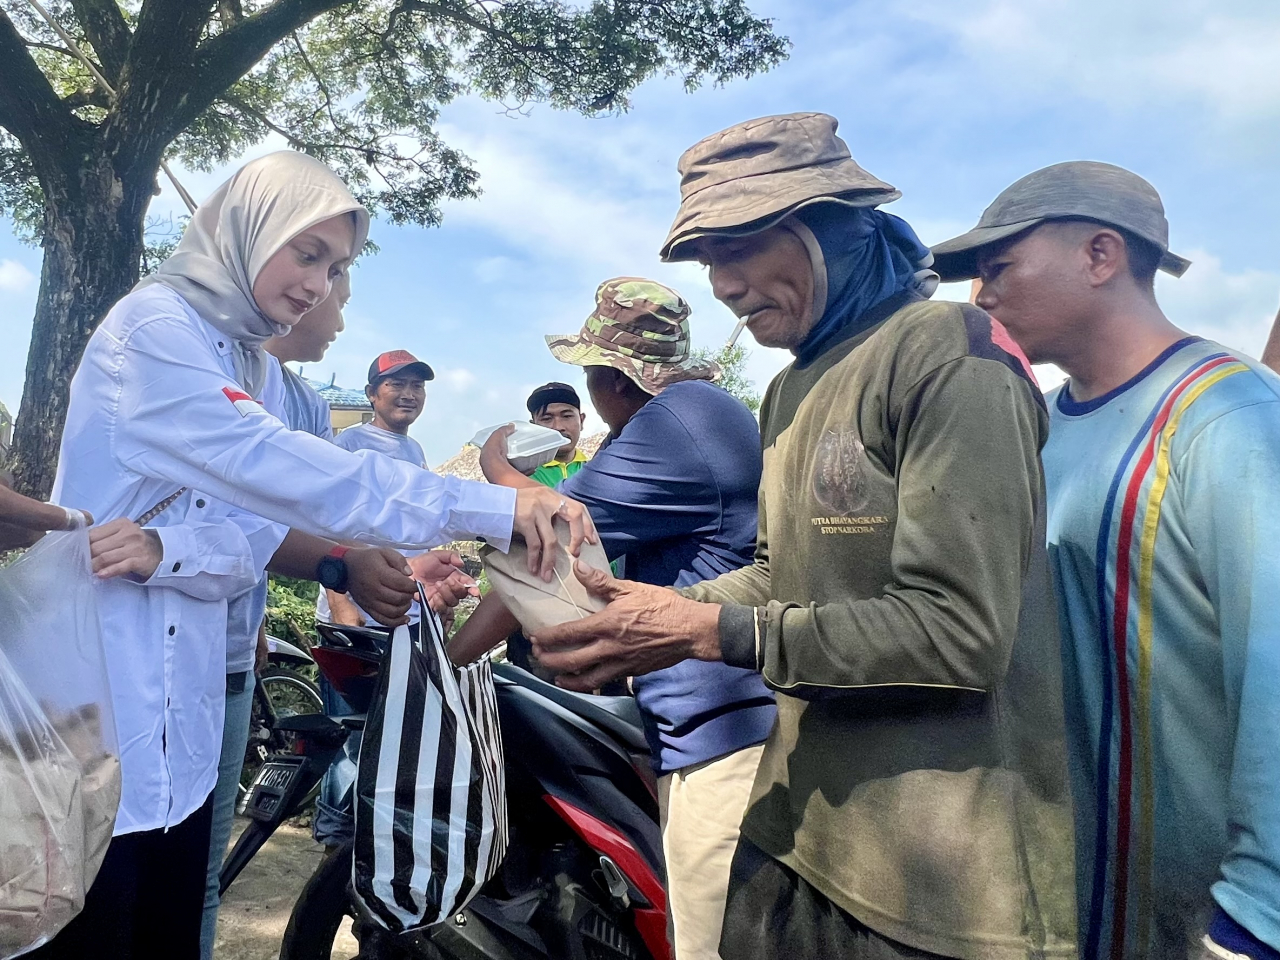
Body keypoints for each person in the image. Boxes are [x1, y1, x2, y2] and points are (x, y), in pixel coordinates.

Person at [529, 113, 1078, 960]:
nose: (722, 284)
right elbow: (777, 574)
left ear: (826, 225)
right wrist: (657, 615)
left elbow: (959, 633)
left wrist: (707, 629)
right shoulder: (791, 389)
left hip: (936, 883)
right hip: (803, 835)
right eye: (708, 261)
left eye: (738, 249)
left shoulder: (945, 355)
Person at [34, 151, 591, 959]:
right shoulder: (157, 331)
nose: (317, 287)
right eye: (307, 253)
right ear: (244, 229)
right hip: (93, 699)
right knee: (84, 926)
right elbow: (283, 470)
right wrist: (496, 504)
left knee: (165, 923)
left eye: (334, 268)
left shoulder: (243, 356)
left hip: (179, 717)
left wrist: (172, 549)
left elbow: (245, 541)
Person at [932, 161, 1280, 960]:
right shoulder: (1039, 427)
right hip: (1064, 892)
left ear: (1100, 255)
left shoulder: (1229, 420)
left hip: (1204, 917)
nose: (980, 297)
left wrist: (1259, 914)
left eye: (998, 267)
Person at [454, 277, 775, 960]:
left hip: (723, 730)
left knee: (707, 941)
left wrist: (494, 461)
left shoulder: (677, 424)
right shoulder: (702, 412)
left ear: (613, 380)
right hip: (696, 719)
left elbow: (543, 530)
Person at [318, 348, 436, 628]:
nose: (409, 394)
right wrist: (340, 602)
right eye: (396, 384)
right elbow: (327, 525)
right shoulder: (350, 444)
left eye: (417, 386)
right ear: (371, 393)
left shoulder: (415, 450)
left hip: (408, 612)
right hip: (359, 614)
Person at [525, 381, 588, 487]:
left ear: (581, 421)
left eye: (567, 416)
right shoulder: (520, 475)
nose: (558, 427)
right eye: (547, 419)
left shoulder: (596, 470)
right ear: (533, 427)